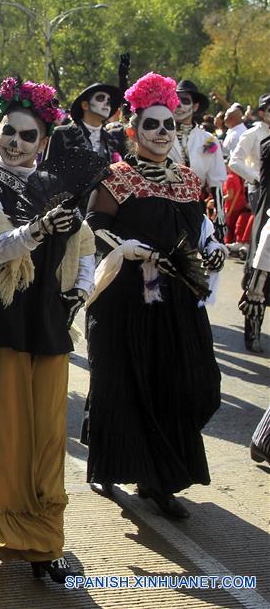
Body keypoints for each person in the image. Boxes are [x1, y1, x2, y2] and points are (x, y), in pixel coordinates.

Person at [0, 77, 91, 585]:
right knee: (3, 437)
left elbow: (85, 246)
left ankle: (44, 540)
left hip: (45, 321)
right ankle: (11, 533)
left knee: (48, 434)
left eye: (28, 137)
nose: (16, 143)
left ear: (43, 142)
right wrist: (39, 229)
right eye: (9, 132)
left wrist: (79, 293)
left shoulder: (54, 184)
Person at [82, 72, 224, 520]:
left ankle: (158, 470)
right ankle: (154, 478)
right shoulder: (117, 177)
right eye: (152, 125)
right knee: (127, 383)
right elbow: (94, 225)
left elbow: (196, 226)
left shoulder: (185, 179)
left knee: (192, 382)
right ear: (134, 130)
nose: (162, 133)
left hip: (178, 298)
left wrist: (213, 245)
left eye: (168, 125)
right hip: (128, 297)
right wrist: (121, 247)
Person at [170, 80, 226, 235]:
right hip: (163, 206)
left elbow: (216, 180)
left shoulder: (209, 140)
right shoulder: (158, 134)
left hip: (194, 207)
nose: (179, 105)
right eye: (175, 100)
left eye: (185, 101)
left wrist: (220, 217)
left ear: (195, 107)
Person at [238, 117, 270, 354]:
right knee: (260, 271)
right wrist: (255, 179)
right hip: (268, 207)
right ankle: (253, 330)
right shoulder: (265, 142)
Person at [45, 82, 124, 163]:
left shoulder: (112, 140)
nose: (107, 103)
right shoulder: (62, 134)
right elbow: (48, 171)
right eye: (100, 98)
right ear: (85, 105)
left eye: (109, 101)